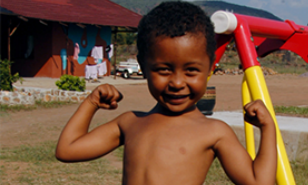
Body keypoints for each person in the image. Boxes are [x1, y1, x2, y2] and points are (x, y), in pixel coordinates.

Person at [56, 1, 277, 184]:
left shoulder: (214, 132)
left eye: (191, 71)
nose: (177, 82)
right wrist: (91, 102)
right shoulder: (129, 122)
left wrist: (268, 128)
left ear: (210, 68)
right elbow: (67, 150)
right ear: (143, 66)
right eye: (164, 70)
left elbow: (258, 182)